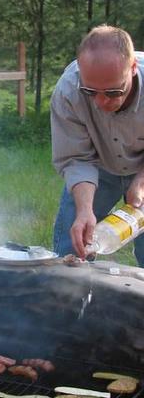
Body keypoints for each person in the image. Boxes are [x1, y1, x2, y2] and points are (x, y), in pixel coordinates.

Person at [51, 25, 144, 266]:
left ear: (132, 68)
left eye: (113, 92)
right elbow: (76, 158)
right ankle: (69, 303)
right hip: (98, 165)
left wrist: (141, 182)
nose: (102, 102)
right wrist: (84, 210)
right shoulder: (69, 91)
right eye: (91, 91)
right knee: (71, 251)